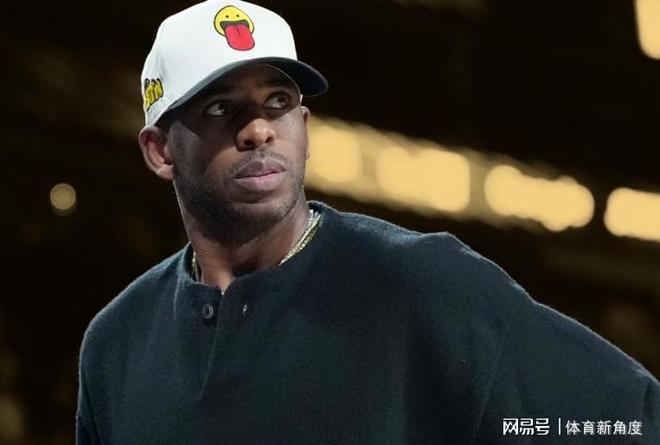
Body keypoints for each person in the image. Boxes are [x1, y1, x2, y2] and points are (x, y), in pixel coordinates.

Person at [76, 1, 660, 443]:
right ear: (160, 150)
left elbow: (630, 419)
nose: (258, 130)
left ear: (305, 127)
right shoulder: (116, 342)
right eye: (221, 107)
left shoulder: (422, 283)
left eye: (278, 102)